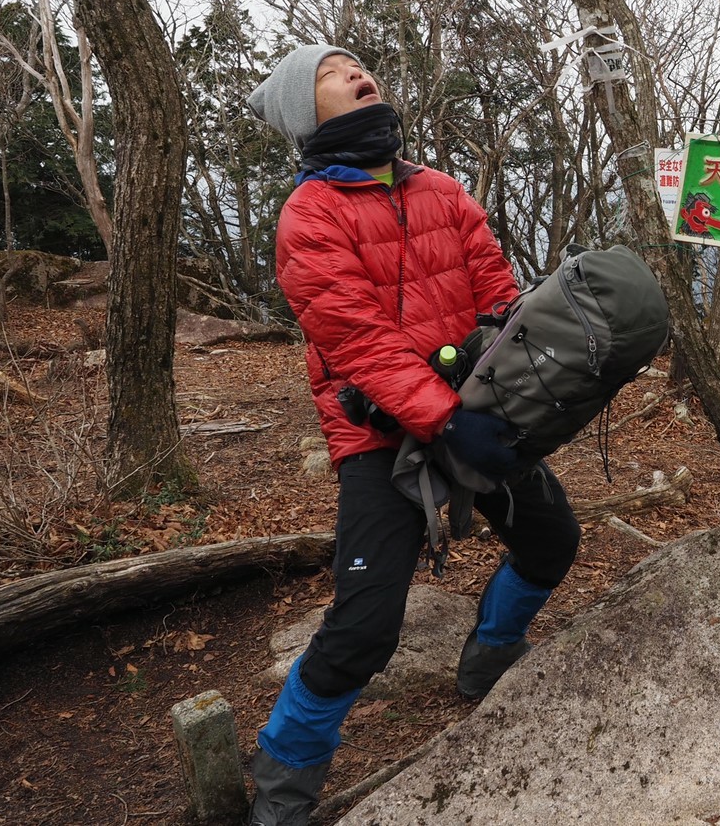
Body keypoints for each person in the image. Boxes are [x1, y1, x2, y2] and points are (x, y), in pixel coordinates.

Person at [245, 45, 581, 826]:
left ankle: (491, 650)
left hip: (473, 407)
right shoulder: (309, 215)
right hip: (380, 434)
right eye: (334, 72)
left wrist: (524, 377)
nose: (359, 72)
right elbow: (356, 343)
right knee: (363, 627)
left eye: (359, 63)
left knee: (551, 540)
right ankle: (284, 777)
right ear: (307, 110)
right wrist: (445, 418)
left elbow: (498, 293)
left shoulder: (440, 189)